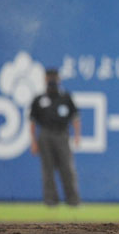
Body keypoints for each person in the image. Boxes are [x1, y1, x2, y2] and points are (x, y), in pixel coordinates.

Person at [30, 68, 81, 206]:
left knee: (67, 168)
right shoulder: (39, 99)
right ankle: (51, 200)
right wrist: (33, 141)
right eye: (49, 78)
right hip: (45, 134)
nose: (51, 81)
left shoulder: (65, 98)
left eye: (54, 78)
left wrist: (77, 135)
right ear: (45, 79)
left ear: (59, 80)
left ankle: (72, 199)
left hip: (61, 134)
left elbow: (75, 118)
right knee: (48, 169)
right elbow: (33, 121)